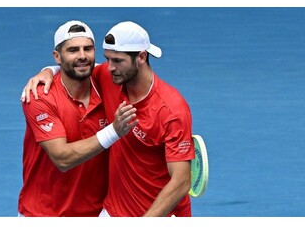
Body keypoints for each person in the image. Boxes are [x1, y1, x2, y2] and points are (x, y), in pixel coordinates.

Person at [21, 21, 195, 217]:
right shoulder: (110, 79)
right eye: (107, 59)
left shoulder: (172, 109)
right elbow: (78, 66)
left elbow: (181, 182)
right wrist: (49, 70)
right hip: (111, 212)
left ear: (141, 57)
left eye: (117, 61)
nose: (109, 67)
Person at [18, 20, 138, 217]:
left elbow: (137, 72)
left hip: (97, 214)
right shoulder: (40, 96)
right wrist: (114, 131)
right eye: (73, 50)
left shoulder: (105, 81)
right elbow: (62, 158)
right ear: (57, 56)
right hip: (42, 215)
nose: (82, 56)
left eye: (88, 49)